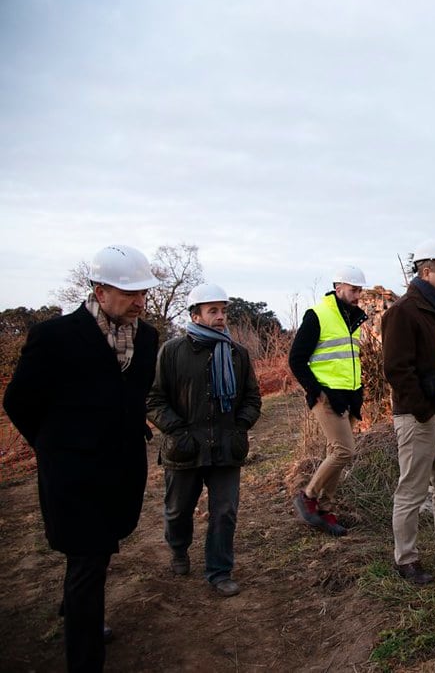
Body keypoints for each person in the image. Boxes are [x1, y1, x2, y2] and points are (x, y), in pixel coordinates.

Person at [3, 245, 161, 672]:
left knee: (97, 553)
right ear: (99, 289)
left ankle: (77, 608)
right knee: (88, 559)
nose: (140, 302)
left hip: (122, 470)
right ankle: (85, 655)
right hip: (73, 476)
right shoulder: (54, 337)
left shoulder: (147, 338)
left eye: (143, 291)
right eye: (130, 292)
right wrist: (54, 446)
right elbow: (19, 401)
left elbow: (134, 395)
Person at [146, 283, 262, 598]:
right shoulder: (172, 351)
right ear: (196, 315)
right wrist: (178, 432)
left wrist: (240, 427)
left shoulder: (238, 354)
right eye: (213, 311)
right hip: (184, 449)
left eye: (223, 310)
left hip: (226, 447)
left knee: (225, 511)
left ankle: (219, 571)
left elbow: (252, 398)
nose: (221, 316)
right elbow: (154, 399)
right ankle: (179, 549)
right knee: (177, 510)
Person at [381, 238, 435, 585]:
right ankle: (407, 559)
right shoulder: (403, 311)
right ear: (426, 271)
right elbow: (397, 370)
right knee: (412, 490)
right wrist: (422, 412)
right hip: (418, 417)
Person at [289, 265, 368, 536]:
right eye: (354, 290)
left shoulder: (353, 319)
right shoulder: (318, 315)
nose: (358, 295)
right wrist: (317, 390)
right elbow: (296, 359)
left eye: (360, 290)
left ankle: (325, 509)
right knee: (344, 451)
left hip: (348, 395)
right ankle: (308, 495)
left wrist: (358, 391)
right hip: (326, 396)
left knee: (334, 453)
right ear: (338, 288)